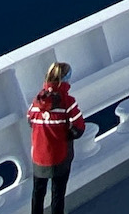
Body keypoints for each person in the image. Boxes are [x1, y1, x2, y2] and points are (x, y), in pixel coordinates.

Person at [25, 61, 86, 214]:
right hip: (60, 156)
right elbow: (79, 128)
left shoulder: (37, 100)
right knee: (57, 194)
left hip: (39, 155)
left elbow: (30, 120)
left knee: (38, 193)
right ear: (66, 78)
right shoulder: (68, 102)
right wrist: (66, 134)